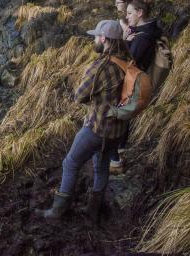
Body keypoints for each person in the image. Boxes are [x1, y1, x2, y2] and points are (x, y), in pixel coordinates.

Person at [36, 20, 127, 221]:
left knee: (70, 162)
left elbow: (79, 96)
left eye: (96, 36)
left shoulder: (100, 67)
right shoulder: (127, 61)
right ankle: (92, 211)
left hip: (98, 128)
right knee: (101, 165)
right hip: (118, 130)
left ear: (104, 39)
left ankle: (58, 211)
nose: (94, 39)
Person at [125, 0, 160, 72]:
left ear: (140, 13)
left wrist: (127, 42)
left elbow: (128, 62)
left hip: (137, 78)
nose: (126, 17)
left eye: (129, 13)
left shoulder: (141, 38)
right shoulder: (150, 28)